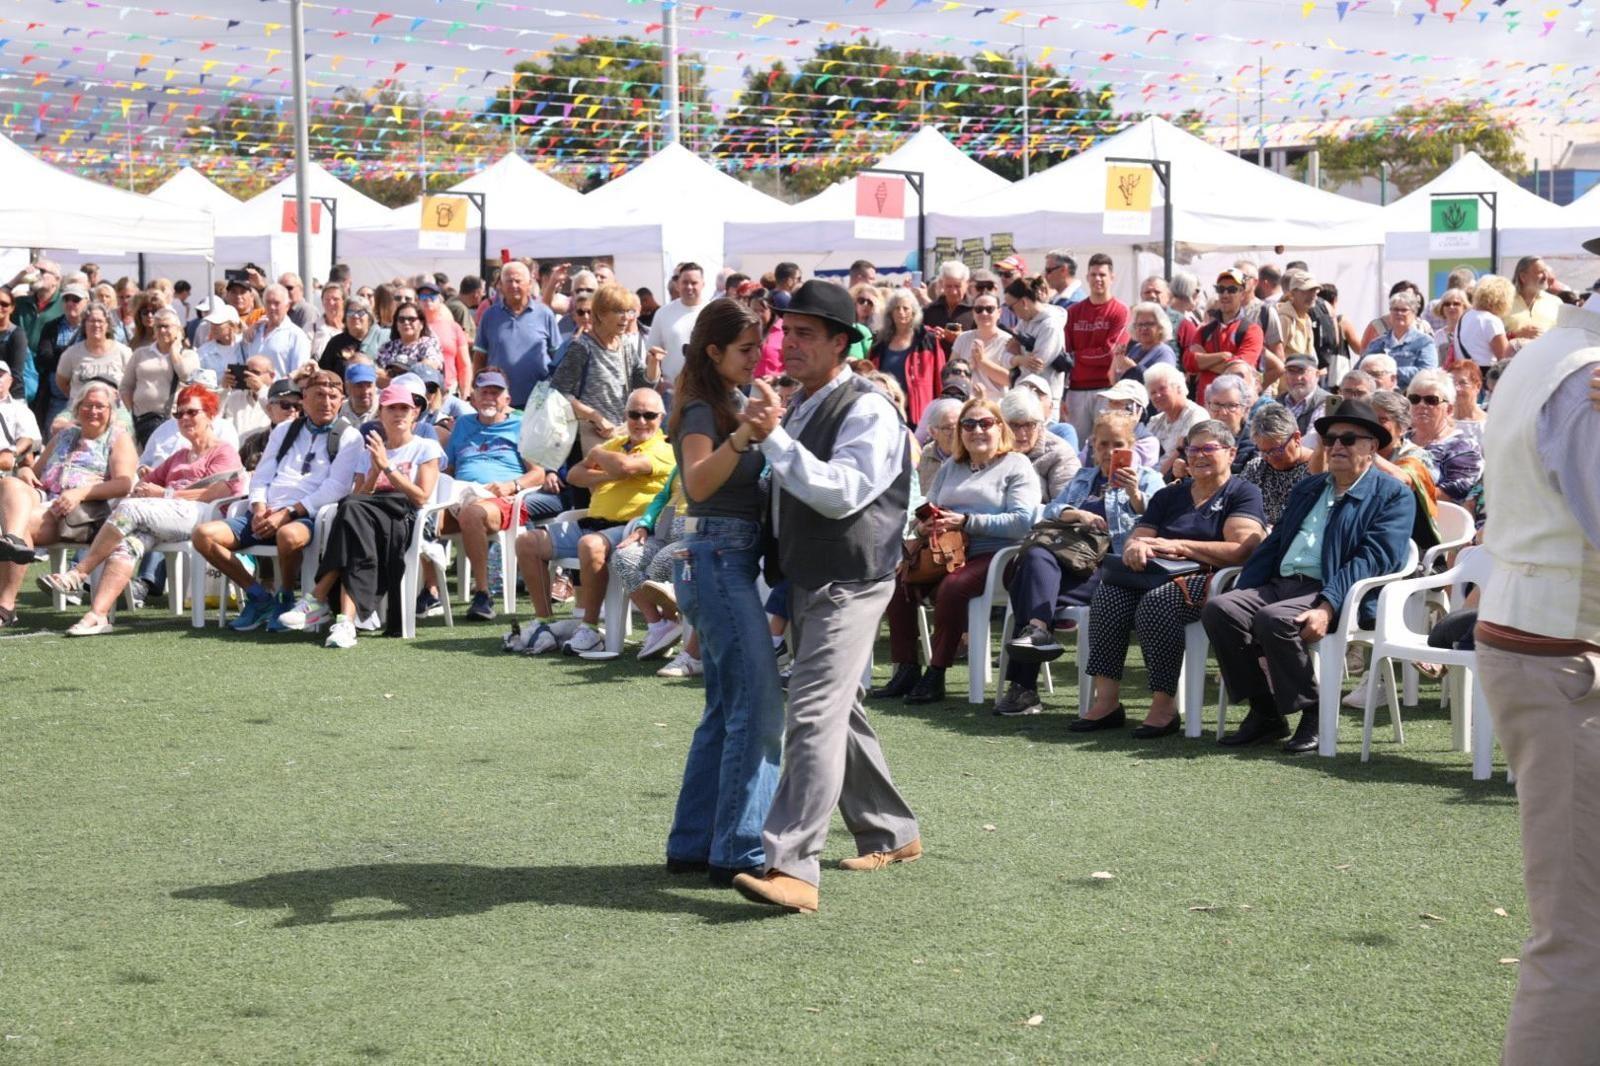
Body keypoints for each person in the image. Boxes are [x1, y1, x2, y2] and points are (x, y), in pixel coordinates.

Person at [729, 279, 921, 915]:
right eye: (790, 331)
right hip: (814, 574)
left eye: (808, 334)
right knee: (837, 708)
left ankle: (792, 866)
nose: (791, 344)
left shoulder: (867, 408)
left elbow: (842, 492)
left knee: (812, 710)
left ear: (843, 342)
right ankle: (891, 831)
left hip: (853, 576)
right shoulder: (807, 401)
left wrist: (773, 439)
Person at [1474, 240, 1600, 1062]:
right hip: (1558, 657)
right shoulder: (1582, 374)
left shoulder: (1558, 353)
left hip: (1551, 645)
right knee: (1580, 936)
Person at [1201, 398, 1416, 753]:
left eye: (1348, 439)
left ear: (1372, 447)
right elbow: (1275, 544)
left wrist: (1328, 606)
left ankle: (1313, 712)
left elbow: (1373, 559)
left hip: (1333, 587)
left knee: (1273, 620)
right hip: (1283, 583)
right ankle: (1265, 711)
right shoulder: (1310, 487)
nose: (1336, 447)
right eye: (1330, 440)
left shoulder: (1392, 495)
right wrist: (1245, 587)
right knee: (1221, 609)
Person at [661, 298, 785, 886]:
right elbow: (699, 483)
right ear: (714, 351)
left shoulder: (726, 402)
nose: (757, 357)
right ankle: (737, 851)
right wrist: (743, 437)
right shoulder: (701, 410)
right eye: (745, 348)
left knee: (723, 711)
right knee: (756, 710)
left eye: (759, 345)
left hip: (720, 559)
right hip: (715, 558)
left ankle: (692, 844)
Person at [1070, 421, 1267, 737]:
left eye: (1208, 448)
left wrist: (1179, 546)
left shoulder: (1242, 492)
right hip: (1157, 574)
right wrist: (1136, 546)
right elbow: (1142, 535)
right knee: (1108, 596)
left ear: (1231, 453)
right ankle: (1106, 701)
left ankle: (1164, 704)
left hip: (1211, 578)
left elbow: (1242, 550)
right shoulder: (1169, 494)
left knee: (1157, 604)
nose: (1198, 455)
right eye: (1192, 449)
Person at [39, 384, 243, 637]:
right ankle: (98, 615)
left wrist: (165, 493)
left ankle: (78, 574)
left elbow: (221, 492)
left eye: (192, 412)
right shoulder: (180, 456)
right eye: (179, 414)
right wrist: (145, 488)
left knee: (129, 510)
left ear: (211, 414)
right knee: (126, 546)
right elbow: (144, 483)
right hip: (163, 517)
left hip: (201, 516)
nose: (185, 419)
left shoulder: (223, 451)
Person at [874, 397, 1041, 705]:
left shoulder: (1016, 465)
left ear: (1000, 428)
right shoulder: (952, 465)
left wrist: (966, 521)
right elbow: (929, 507)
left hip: (997, 556)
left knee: (954, 586)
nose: (976, 430)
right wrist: (924, 525)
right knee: (898, 581)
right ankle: (906, 667)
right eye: (969, 424)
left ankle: (936, 673)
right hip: (945, 553)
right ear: (960, 431)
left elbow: (1021, 522)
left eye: (985, 423)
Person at [998, 410, 1165, 716]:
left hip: (1111, 567)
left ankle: (1024, 687)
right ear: (1092, 445)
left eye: (1118, 444)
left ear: (1131, 445)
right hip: (1067, 562)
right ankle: (1037, 630)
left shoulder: (1149, 479)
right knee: (1036, 556)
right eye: (1102, 445)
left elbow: (1160, 521)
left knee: (1028, 586)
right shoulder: (1084, 477)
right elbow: (1051, 511)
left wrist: (1134, 495)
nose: (1109, 452)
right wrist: (1078, 514)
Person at [190, 369, 362, 632]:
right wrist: (258, 507)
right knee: (203, 535)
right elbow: (262, 475)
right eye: (319, 395)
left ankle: (284, 595)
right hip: (265, 513)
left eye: (333, 396)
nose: (326, 402)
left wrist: (287, 514)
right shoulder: (284, 430)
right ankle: (259, 596)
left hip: (306, 516)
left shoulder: (350, 436)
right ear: (304, 398)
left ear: (341, 400)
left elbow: (336, 487)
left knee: (288, 537)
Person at [275, 382, 443, 647]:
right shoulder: (371, 451)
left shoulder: (425, 447)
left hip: (404, 518)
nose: (398, 414)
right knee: (354, 521)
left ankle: (317, 598)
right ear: (381, 415)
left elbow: (421, 497)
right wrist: (374, 471)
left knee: (350, 510)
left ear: (414, 415)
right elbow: (361, 494)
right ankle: (345, 623)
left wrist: (387, 468)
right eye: (392, 409)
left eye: (404, 409)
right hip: (368, 520)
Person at [516, 388, 673, 656]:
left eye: (649, 415)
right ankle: (544, 624)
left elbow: (624, 468)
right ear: (626, 415)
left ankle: (589, 628)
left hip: (629, 529)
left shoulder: (664, 449)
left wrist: (599, 456)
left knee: (589, 545)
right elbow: (576, 475)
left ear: (661, 417)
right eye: (635, 414)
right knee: (527, 542)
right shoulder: (615, 446)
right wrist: (609, 474)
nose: (641, 421)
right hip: (591, 521)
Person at [0, 383, 137, 628]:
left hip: (81, 512)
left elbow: (124, 484)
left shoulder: (118, 438)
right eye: (87, 405)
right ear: (77, 408)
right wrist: (24, 472)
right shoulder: (64, 435)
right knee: (10, 483)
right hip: (44, 498)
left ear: (110, 410)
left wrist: (80, 493)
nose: (93, 411)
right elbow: (35, 470)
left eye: (99, 406)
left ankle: (6, 603)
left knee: (23, 523)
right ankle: (13, 542)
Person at [435, 371, 558, 622]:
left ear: (507, 398)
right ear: (473, 397)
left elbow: (538, 473)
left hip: (500, 501)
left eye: (496, 393)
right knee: (418, 517)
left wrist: (510, 485)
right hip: (459, 495)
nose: (490, 397)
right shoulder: (463, 425)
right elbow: (448, 469)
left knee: (472, 512)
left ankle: (482, 593)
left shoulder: (521, 426)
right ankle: (429, 591)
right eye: (484, 392)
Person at [551, 283, 661, 456]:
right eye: (619, 311)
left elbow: (643, 384)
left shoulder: (624, 343)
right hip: (590, 436)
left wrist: (653, 363)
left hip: (621, 432)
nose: (626, 318)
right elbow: (558, 392)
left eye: (629, 311)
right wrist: (596, 417)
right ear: (601, 314)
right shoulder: (581, 347)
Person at [1060, 253, 1130, 442]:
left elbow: (1109, 354)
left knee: (1105, 444)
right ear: (1087, 277)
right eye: (1093, 275)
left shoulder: (1120, 311)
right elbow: (1064, 355)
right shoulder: (1073, 312)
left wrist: (1077, 356)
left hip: (1106, 389)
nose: (1098, 279)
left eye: (1102, 275)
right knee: (1078, 447)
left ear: (1112, 277)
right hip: (1075, 391)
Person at [473, 261, 560, 409]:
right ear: (500, 285)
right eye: (509, 281)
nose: (514, 286)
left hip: (539, 400)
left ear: (530, 283)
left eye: (518, 281)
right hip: (499, 399)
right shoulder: (490, 316)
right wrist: (476, 389)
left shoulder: (545, 314)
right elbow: (480, 357)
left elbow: (557, 358)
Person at [121, 308, 198, 448]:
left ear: (178, 329)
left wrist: (174, 351)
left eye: (166, 326)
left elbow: (185, 374)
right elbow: (126, 386)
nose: (162, 330)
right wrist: (132, 412)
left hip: (173, 421)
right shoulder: (140, 354)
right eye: (158, 326)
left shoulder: (188, 355)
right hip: (142, 420)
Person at [1405, 368, 1482, 507]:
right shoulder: (1399, 440)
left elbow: (1454, 495)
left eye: (1431, 400)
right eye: (1414, 399)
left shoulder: (1463, 448)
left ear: (1449, 409)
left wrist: (1398, 489)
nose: (1421, 405)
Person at [1184, 268, 1264, 401]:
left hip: (1234, 406)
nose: (1225, 294)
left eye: (1232, 290)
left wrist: (1205, 362)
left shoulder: (1252, 330)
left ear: (1242, 294)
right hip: (1205, 405)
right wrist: (1223, 356)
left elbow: (1239, 370)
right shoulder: (1204, 330)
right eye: (1221, 289)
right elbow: (1189, 362)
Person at [869, 288, 945, 426]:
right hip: (885, 411)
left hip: (920, 415)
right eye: (896, 308)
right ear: (890, 313)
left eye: (906, 308)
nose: (901, 312)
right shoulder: (879, 342)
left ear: (914, 312)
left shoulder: (928, 340)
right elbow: (871, 376)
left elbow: (940, 379)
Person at [53, 305, 132, 429]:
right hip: (78, 410)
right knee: (58, 426)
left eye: (100, 321)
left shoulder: (124, 352)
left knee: (119, 429)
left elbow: (131, 384)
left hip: (115, 411)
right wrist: (81, 397)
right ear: (84, 325)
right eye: (91, 321)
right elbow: (62, 382)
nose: (96, 325)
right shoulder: (71, 353)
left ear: (108, 325)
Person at [1003, 275, 1069, 409]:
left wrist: (1016, 356)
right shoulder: (1023, 322)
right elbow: (1003, 357)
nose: (1012, 312)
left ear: (1024, 303)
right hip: (1022, 394)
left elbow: (1036, 366)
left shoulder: (1050, 326)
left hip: (1044, 398)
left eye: (1011, 307)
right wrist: (1020, 359)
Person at [1241, 403, 1312, 525]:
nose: (1269, 458)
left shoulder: (1316, 470)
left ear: (1296, 438)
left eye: (1276, 451)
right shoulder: (1256, 468)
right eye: (1263, 452)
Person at [1002, 387, 1079, 499]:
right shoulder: (992, 447)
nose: (1021, 433)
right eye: (1014, 425)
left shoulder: (1060, 453)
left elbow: (1066, 504)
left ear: (1040, 424)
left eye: (1029, 425)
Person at [23, 280, 83, 416]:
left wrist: (59, 353)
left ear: (86, 302)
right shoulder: (51, 326)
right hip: (55, 399)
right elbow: (44, 357)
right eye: (66, 299)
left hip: (84, 397)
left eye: (76, 299)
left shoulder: (90, 328)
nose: (70, 303)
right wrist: (76, 355)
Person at [645, 262, 707, 392]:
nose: (689, 287)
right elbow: (652, 353)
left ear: (703, 284)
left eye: (694, 283)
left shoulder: (712, 312)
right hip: (672, 391)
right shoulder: (663, 313)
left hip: (705, 391)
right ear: (678, 285)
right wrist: (659, 382)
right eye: (685, 282)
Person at [1364, 293, 1438, 389]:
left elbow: (1427, 372)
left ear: (1414, 313)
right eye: (1395, 309)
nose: (1399, 313)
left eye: (1404, 310)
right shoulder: (1377, 343)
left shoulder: (1424, 342)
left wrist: (1390, 373)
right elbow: (1361, 369)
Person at [1145, 363, 1206, 474]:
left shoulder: (1196, 416)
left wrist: (1155, 482)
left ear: (1178, 387)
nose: (1157, 395)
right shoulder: (1155, 421)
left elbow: (1182, 454)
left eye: (1162, 389)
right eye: (1153, 392)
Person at [414, 276, 471, 394]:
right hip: (418, 389)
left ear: (440, 299)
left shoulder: (453, 327)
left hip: (449, 390)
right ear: (417, 300)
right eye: (423, 296)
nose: (428, 300)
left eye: (432, 296)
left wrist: (465, 392)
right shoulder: (411, 326)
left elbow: (464, 365)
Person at [243, 284, 312, 380]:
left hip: (280, 393)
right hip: (252, 392)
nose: (272, 307)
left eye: (276, 303)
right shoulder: (255, 331)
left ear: (287, 306)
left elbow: (300, 372)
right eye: (268, 302)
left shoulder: (296, 335)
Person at [1503, 255, 1561, 354]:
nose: (1545, 276)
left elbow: (1565, 334)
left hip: (1548, 361)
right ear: (1523, 277)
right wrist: (1516, 335)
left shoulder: (1556, 302)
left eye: (1545, 271)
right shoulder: (1504, 301)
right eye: (1540, 272)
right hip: (1513, 363)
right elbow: (1491, 336)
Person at [1201, 373, 1258, 473]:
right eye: (1217, 404)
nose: (1223, 412)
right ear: (1207, 405)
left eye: (1231, 405)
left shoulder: (1256, 443)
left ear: (1245, 409)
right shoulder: (1197, 438)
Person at [1452, 274, 1513, 367]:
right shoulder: (1491, 321)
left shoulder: (1464, 317)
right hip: (1485, 376)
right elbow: (1505, 358)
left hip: (1464, 373)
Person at [1113, 301, 1176, 384]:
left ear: (1160, 327)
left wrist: (1134, 369)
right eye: (1139, 324)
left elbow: (1162, 384)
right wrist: (1117, 362)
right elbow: (1118, 380)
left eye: (1149, 324)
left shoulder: (1164, 352)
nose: (1143, 328)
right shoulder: (1136, 348)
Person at [376, 302, 442, 375]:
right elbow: (378, 373)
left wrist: (399, 376)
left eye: (412, 319)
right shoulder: (387, 347)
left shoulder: (430, 344)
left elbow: (430, 365)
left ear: (421, 324)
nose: (406, 322)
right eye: (401, 319)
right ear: (396, 324)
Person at [1276, 354, 1330, 435]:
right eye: (1291, 371)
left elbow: (1313, 440)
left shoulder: (1327, 402)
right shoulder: (1277, 402)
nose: (1297, 378)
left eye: (1302, 371)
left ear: (1317, 375)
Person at [0, 364, 40, 476]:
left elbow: (28, 439)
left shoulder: (20, 410)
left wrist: (11, 453)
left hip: (9, 469)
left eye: (0, 375)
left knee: (28, 459)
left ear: (10, 381)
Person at [922, 260, 974, 337]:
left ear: (967, 284)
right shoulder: (929, 310)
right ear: (942, 284)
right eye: (948, 286)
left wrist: (962, 338)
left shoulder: (977, 310)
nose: (953, 292)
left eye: (957, 286)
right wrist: (933, 337)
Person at [1448, 361, 1488, 443]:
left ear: (1477, 386)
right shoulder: (1442, 423)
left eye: (1462, 383)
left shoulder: (1488, 424)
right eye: (1452, 383)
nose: (1456, 388)